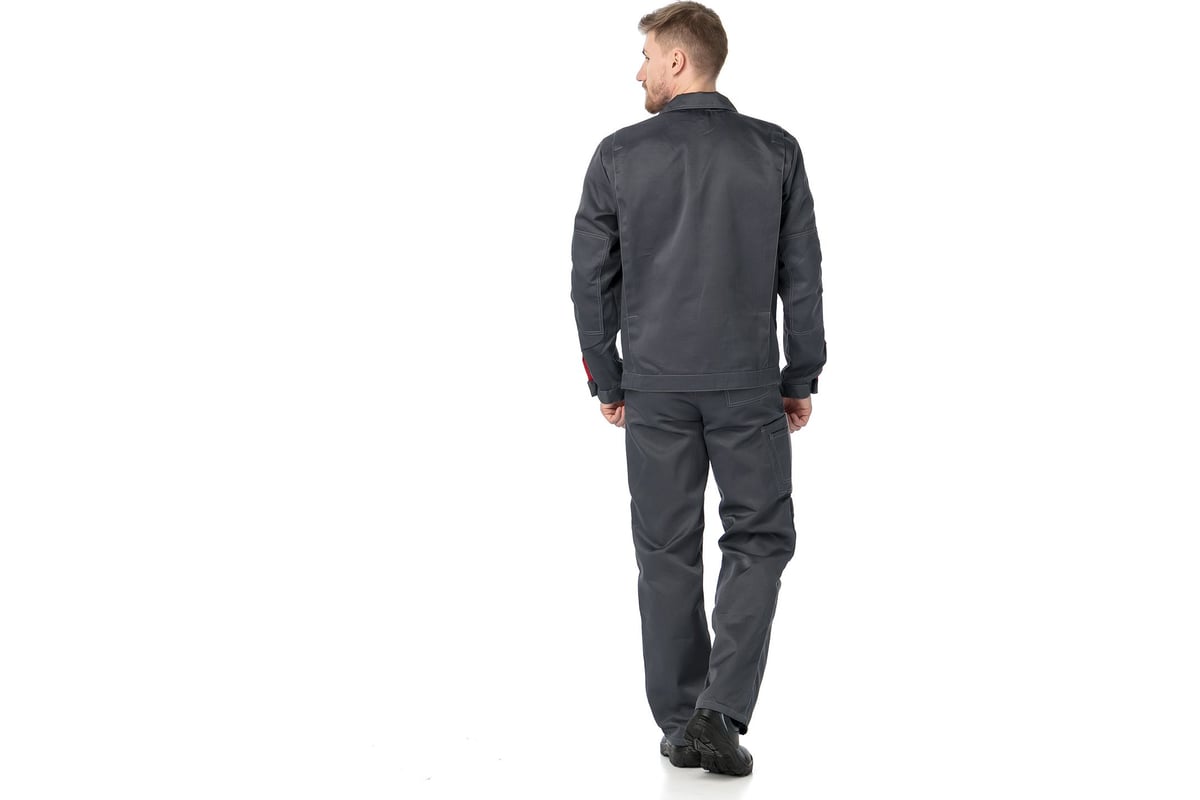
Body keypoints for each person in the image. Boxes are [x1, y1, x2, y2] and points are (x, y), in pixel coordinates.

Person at [569, 1, 826, 778]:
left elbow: (591, 279)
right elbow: (802, 274)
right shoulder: (775, 150)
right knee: (760, 538)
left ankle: (686, 721)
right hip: (747, 384)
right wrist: (800, 373)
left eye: (647, 56)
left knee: (665, 550)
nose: (638, 72)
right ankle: (718, 712)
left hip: (654, 386)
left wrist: (607, 377)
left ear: (679, 60)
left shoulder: (620, 154)